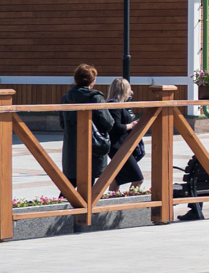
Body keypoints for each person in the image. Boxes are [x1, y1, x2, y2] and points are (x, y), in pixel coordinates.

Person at [58, 64, 105, 194]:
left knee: (69, 185)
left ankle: (60, 211)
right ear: (92, 80)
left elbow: (62, 123)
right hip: (92, 145)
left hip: (71, 146)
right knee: (89, 185)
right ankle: (86, 212)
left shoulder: (66, 97)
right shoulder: (96, 98)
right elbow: (107, 122)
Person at [103, 78, 145, 188]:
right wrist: (131, 125)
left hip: (120, 146)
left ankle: (113, 201)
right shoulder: (114, 107)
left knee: (117, 179)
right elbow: (115, 127)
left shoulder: (117, 105)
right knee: (138, 178)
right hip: (119, 147)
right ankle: (130, 202)